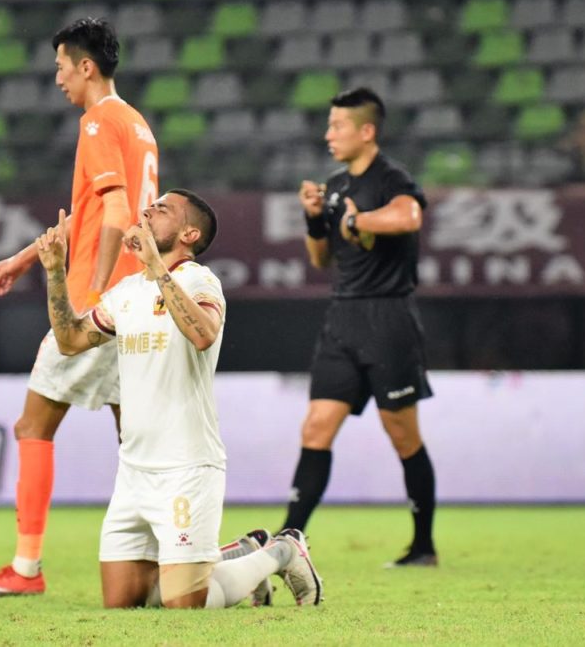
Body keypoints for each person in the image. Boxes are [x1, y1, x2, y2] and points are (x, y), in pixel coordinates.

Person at [27, 191, 322, 609]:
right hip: (133, 468)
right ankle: (233, 556)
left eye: (161, 209)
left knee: (184, 607)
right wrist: (56, 272)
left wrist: (157, 269)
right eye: (149, 207)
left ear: (189, 233)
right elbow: (71, 340)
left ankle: (281, 553)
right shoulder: (127, 292)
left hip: (187, 465)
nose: (147, 211)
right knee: (126, 603)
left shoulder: (200, 280)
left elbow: (203, 334)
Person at [0, 18, 158, 598]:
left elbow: (117, 216)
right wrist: (26, 256)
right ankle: (162, 556)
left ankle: (25, 570)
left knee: (33, 425)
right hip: (139, 300)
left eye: (60, 68)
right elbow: (92, 217)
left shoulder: (97, 121)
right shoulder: (137, 124)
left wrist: (93, 296)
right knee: (136, 438)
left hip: (96, 303)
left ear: (85, 66)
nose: (58, 80)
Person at [281, 87, 437, 567]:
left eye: (338, 126)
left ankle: (423, 545)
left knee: (403, 435)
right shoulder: (335, 186)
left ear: (366, 131)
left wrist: (359, 218)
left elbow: (410, 216)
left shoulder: (392, 179)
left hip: (388, 318)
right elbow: (321, 258)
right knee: (316, 426)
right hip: (342, 317)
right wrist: (314, 221)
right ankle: (288, 541)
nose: (329, 134)